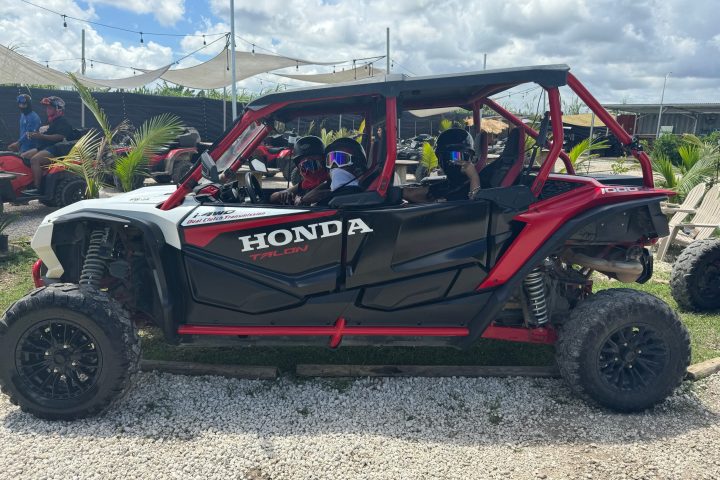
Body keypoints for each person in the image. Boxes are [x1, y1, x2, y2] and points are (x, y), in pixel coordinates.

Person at [403, 128, 480, 203]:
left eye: (457, 156)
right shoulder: (445, 185)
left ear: (470, 157)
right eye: (449, 157)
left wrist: (473, 177)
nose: (455, 161)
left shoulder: (476, 182)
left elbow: (476, 202)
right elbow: (412, 194)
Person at [21, 96, 74, 195]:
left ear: (58, 109)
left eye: (50, 108)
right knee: (22, 157)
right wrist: (35, 135)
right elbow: (43, 135)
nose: (47, 110)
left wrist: (41, 136)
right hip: (45, 148)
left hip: (57, 149)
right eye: (47, 108)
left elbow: (59, 137)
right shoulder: (49, 121)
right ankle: (25, 185)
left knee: (35, 160)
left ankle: (37, 188)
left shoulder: (63, 122)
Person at [270, 136, 329, 205]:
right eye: (304, 160)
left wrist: (303, 200)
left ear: (323, 160)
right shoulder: (306, 184)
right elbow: (272, 197)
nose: (307, 161)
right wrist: (282, 193)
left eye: (313, 157)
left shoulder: (331, 182)